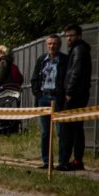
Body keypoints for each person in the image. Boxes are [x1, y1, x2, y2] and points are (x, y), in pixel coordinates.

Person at [57, 24, 92, 171]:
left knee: (68, 128)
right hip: (78, 94)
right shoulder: (78, 49)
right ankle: (77, 160)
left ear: (78, 36)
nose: (68, 38)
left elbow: (76, 72)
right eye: (67, 36)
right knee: (76, 128)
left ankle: (66, 161)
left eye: (71, 35)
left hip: (75, 95)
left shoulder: (79, 50)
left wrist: (69, 92)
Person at [30, 34, 67, 169]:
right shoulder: (41, 60)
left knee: (61, 132)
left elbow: (67, 79)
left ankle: (63, 162)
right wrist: (38, 94)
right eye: (50, 44)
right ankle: (47, 161)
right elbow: (34, 79)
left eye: (55, 44)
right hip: (43, 98)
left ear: (59, 45)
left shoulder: (64, 60)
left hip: (58, 98)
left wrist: (63, 95)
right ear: (47, 45)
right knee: (45, 132)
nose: (52, 46)